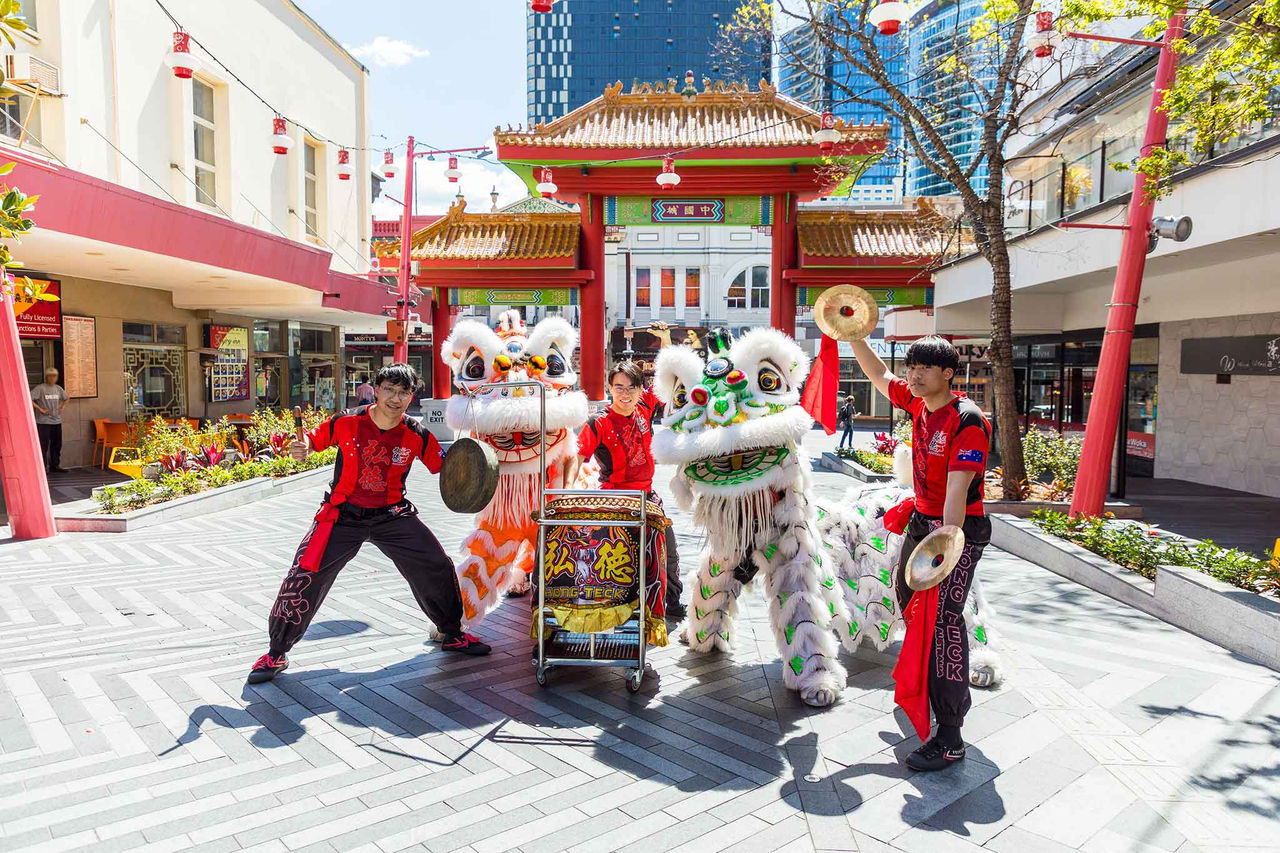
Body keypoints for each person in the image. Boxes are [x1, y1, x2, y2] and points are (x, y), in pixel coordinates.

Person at [246, 363, 489, 684]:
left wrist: (478, 459)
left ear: (411, 396)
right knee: (305, 572)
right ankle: (276, 652)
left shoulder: (416, 434)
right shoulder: (346, 422)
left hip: (393, 514)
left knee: (434, 563)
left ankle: (451, 632)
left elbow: (446, 468)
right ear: (376, 390)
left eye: (404, 392)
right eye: (389, 389)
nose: (396, 398)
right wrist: (301, 449)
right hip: (341, 514)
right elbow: (311, 443)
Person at [849, 335, 991, 772]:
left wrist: (943, 548)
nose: (913, 375)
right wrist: (853, 335)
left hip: (957, 531)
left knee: (943, 622)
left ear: (948, 374)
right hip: (924, 523)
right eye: (911, 368)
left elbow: (957, 490)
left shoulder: (967, 420)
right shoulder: (918, 405)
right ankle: (925, 690)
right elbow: (878, 374)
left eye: (924, 369)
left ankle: (950, 737)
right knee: (911, 605)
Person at [570, 355, 686, 623]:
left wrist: (665, 339)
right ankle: (613, 607)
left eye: (631, 388)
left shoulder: (644, 406)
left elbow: (672, 373)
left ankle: (671, 601)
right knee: (616, 558)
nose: (625, 394)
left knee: (667, 550)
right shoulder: (597, 423)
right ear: (610, 388)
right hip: (615, 500)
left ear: (640, 390)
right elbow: (576, 458)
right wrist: (566, 492)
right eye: (619, 387)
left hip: (647, 497)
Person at [31, 367, 69, 474]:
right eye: (50, 376)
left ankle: (55, 465)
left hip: (56, 421)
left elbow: (66, 397)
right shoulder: (40, 388)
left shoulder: (58, 388)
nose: (52, 378)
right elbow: (29, 398)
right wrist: (40, 409)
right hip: (43, 422)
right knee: (44, 445)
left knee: (57, 444)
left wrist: (62, 407)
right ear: (47, 377)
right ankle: (42, 467)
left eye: (54, 376)